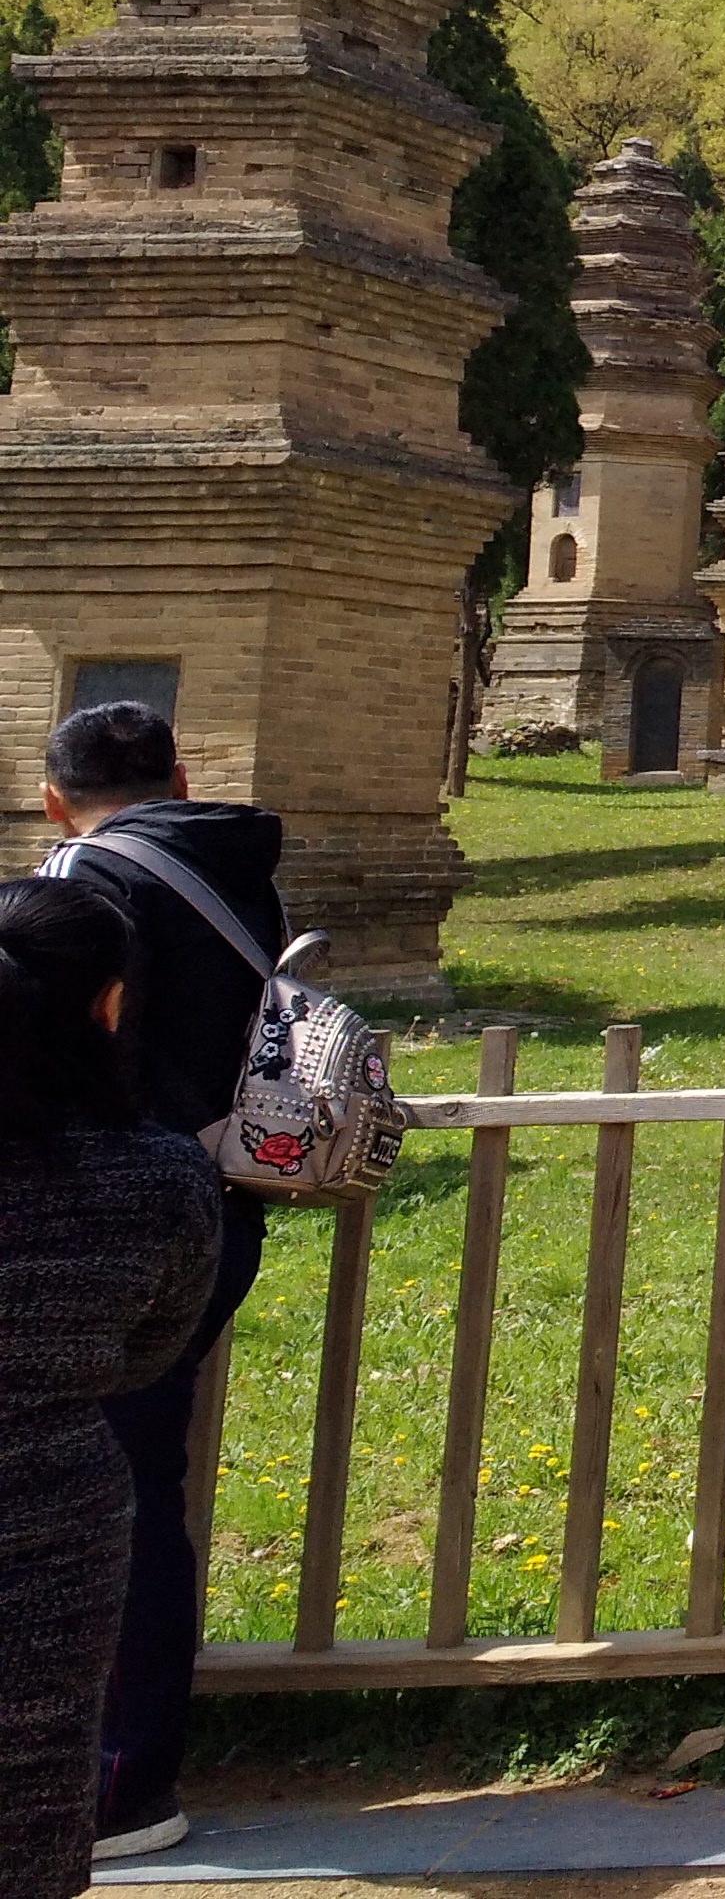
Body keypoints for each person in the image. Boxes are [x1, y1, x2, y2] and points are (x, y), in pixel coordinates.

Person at [28, 703, 281, 1862]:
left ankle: (114, 1776)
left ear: (48, 794)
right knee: (136, 1480)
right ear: (180, 773)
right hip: (204, 1202)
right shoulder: (228, 866)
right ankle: (126, 1764)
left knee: (83, 1491)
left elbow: (87, 1046)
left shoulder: (84, 874)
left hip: (91, 1212)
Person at [0, 876, 222, 1899]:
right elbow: (147, 1349)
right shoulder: (161, 1180)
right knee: (31, 1799)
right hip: (57, 1512)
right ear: (109, 1003)